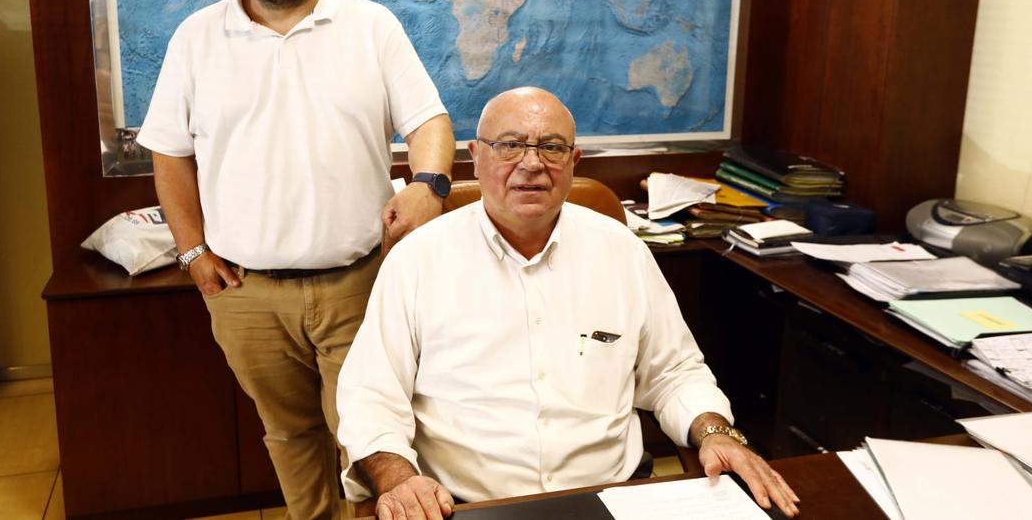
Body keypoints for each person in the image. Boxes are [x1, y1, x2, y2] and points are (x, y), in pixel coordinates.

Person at [137, 0, 455, 520]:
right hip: (244, 295)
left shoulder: (371, 26)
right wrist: (193, 251)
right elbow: (169, 152)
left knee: (371, 444)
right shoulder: (197, 38)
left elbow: (428, 122)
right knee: (288, 435)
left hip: (359, 285)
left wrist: (429, 185)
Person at [335, 87, 800, 519]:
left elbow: (673, 371)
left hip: (610, 498)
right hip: (468, 507)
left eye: (552, 147)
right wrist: (398, 477)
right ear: (475, 159)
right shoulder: (418, 259)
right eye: (509, 145)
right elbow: (371, 393)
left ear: (574, 161)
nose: (531, 164)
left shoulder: (622, 251)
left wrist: (717, 431)